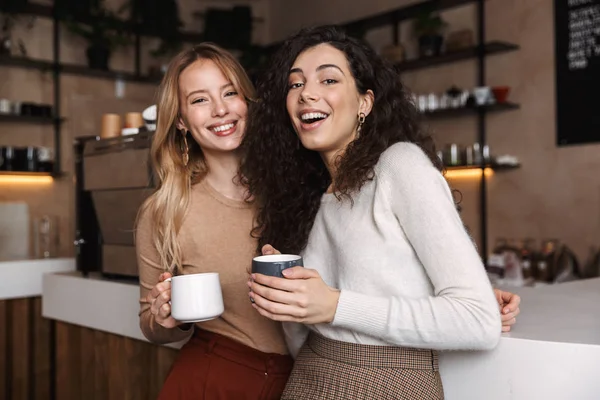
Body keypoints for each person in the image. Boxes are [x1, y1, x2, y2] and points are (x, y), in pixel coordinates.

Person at [241, 25, 519, 399]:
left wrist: (335, 305)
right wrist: (290, 295)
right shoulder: (307, 194)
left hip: (387, 383)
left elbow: (478, 320)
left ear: (365, 103)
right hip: (308, 376)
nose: (307, 93)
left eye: (328, 80)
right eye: (295, 84)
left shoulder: (399, 166)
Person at [135, 43, 293, 400]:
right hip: (213, 380)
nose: (221, 110)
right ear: (181, 120)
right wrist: (163, 318)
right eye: (200, 100)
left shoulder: (294, 189)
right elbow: (150, 324)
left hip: (305, 381)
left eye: (229, 92)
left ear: (247, 102)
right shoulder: (164, 211)